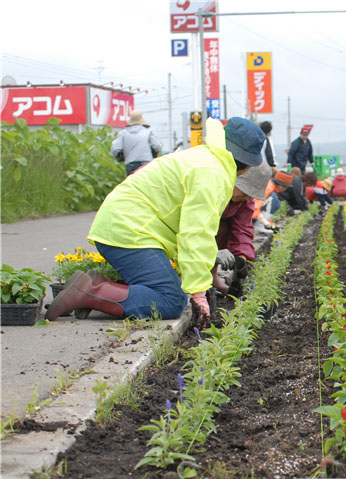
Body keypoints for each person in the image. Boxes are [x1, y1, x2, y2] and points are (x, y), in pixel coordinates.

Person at [46, 117, 266, 330]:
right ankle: (90, 291)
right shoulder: (212, 175)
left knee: (169, 291)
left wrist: (197, 278)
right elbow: (195, 235)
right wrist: (198, 294)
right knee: (171, 301)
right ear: (246, 166)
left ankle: (100, 286)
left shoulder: (204, 159)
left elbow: (186, 231)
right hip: (129, 230)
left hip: (125, 225)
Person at [214, 161, 271, 297]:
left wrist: (241, 258)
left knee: (226, 230)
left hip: (213, 232)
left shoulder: (244, 201)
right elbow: (196, 229)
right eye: (246, 191)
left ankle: (213, 277)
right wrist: (212, 252)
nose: (247, 197)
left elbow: (242, 229)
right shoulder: (214, 190)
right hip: (193, 233)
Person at [111, 110, 163, 176]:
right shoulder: (148, 131)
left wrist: (120, 156)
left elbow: (115, 149)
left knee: (133, 185)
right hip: (146, 164)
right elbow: (157, 147)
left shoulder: (123, 133)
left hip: (130, 165)